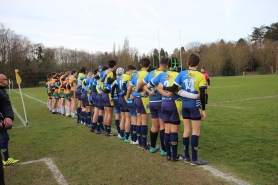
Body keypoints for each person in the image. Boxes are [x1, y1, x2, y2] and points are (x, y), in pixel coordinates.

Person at [163, 54, 208, 165]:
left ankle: (187, 156)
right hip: (195, 106)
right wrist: (203, 110)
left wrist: (163, 87)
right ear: (198, 64)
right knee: (196, 131)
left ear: (187, 63)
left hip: (184, 106)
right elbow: (202, 95)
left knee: (186, 130)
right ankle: (194, 158)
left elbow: (173, 88)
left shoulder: (182, 74)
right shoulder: (201, 76)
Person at [135, 57, 169, 155]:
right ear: (166, 65)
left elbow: (142, 83)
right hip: (161, 101)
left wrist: (140, 91)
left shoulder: (151, 73)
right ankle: (164, 150)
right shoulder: (165, 74)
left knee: (154, 125)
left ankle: (153, 147)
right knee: (162, 126)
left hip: (152, 102)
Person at [126, 58, 151, 150]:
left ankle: (140, 141)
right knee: (144, 122)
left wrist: (127, 96)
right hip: (143, 99)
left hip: (136, 99)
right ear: (149, 65)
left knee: (139, 120)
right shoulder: (148, 74)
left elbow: (129, 87)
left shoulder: (136, 74)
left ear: (140, 65)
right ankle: (144, 143)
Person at [0, 74, 19, 184]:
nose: (7, 81)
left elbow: (6, 105)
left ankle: (6, 158)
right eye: (5, 79)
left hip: (2, 123)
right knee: (3, 138)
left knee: (4, 138)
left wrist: (8, 116)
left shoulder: (2, 91)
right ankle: (6, 159)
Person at [100, 60, 117, 136]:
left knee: (106, 113)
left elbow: (101, 79)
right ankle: (108, 131)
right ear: (114, 66)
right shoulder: (110, 73)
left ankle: (106, 129)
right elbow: (109, 81)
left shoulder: (104, 72)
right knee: (109, 113)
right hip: (108, 94)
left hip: (103, 93)